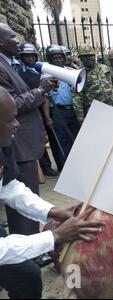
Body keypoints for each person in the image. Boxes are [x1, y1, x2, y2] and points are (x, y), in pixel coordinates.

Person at [0, 87, 104, 299]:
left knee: (27, 277)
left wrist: (52, 211)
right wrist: (55, 236)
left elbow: (8, 187)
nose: (17, 124)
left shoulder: (3, 142)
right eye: (11, 120)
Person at [0, 23, 59, 269]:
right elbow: (9, 103)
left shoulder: (8, 64)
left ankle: (32, 248)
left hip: (24, 141)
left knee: (26, 193)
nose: (18, 40)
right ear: (1, 42)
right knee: (21, 200)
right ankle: (28, 255)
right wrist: (40, 90)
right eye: (12, 36)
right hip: (19, 144)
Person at [17, 43, 58, 176]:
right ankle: (45, 166)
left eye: (32, 56)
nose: (30, 59)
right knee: (39, 138)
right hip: (32, 108)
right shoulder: (20, 73)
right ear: (22, 58)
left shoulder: (42, 70)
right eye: (27, 56)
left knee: (51, 135)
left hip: (45, 107)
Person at [43, 45, 81, 170]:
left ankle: (78, 166)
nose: (58, 60)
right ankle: (66, 169)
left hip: (73, 110)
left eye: (60, 57)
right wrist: (47, 117)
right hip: (59, 112)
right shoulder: (46, 74)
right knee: (62, 141)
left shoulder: (70, 71)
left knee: (76, 139)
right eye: (55, 58)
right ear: (50, 59)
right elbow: (46, 99)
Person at [73, 44, 113, 122]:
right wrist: (81, 120)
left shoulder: (104, 68)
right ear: (81, 58)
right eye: (85, 56)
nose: (89, 58)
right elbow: (77, 99)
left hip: (112, 110)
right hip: (95, 114)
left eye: (91, 55)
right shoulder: (79, 74)